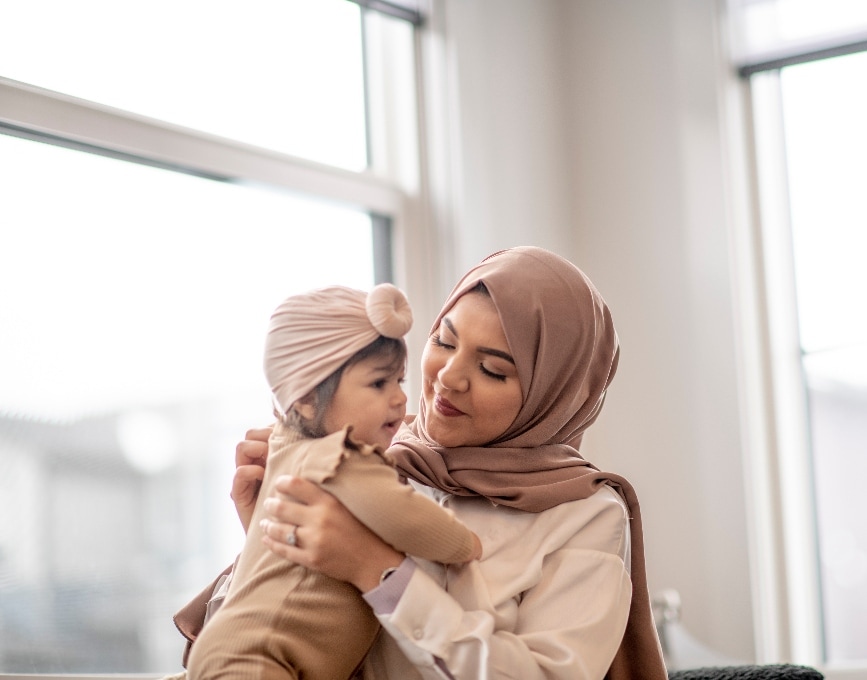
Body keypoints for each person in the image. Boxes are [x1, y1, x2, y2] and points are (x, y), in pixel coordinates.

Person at [175, 246, 667, 680]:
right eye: (445, 342)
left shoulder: (583, 514)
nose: (449, 377)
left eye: (492, 368)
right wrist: (268, 532)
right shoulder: (368, 452)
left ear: (553, 393)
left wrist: (379, 571)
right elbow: (254, 645)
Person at [184, 284, 482, 680]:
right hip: (261, 658)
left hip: (248, 650)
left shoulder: (286, 445)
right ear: (306, 399)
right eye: (378, 384)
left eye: (399, 381)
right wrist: (465, 543)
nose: (398, 399)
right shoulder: (341, 458)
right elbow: (408, 518)